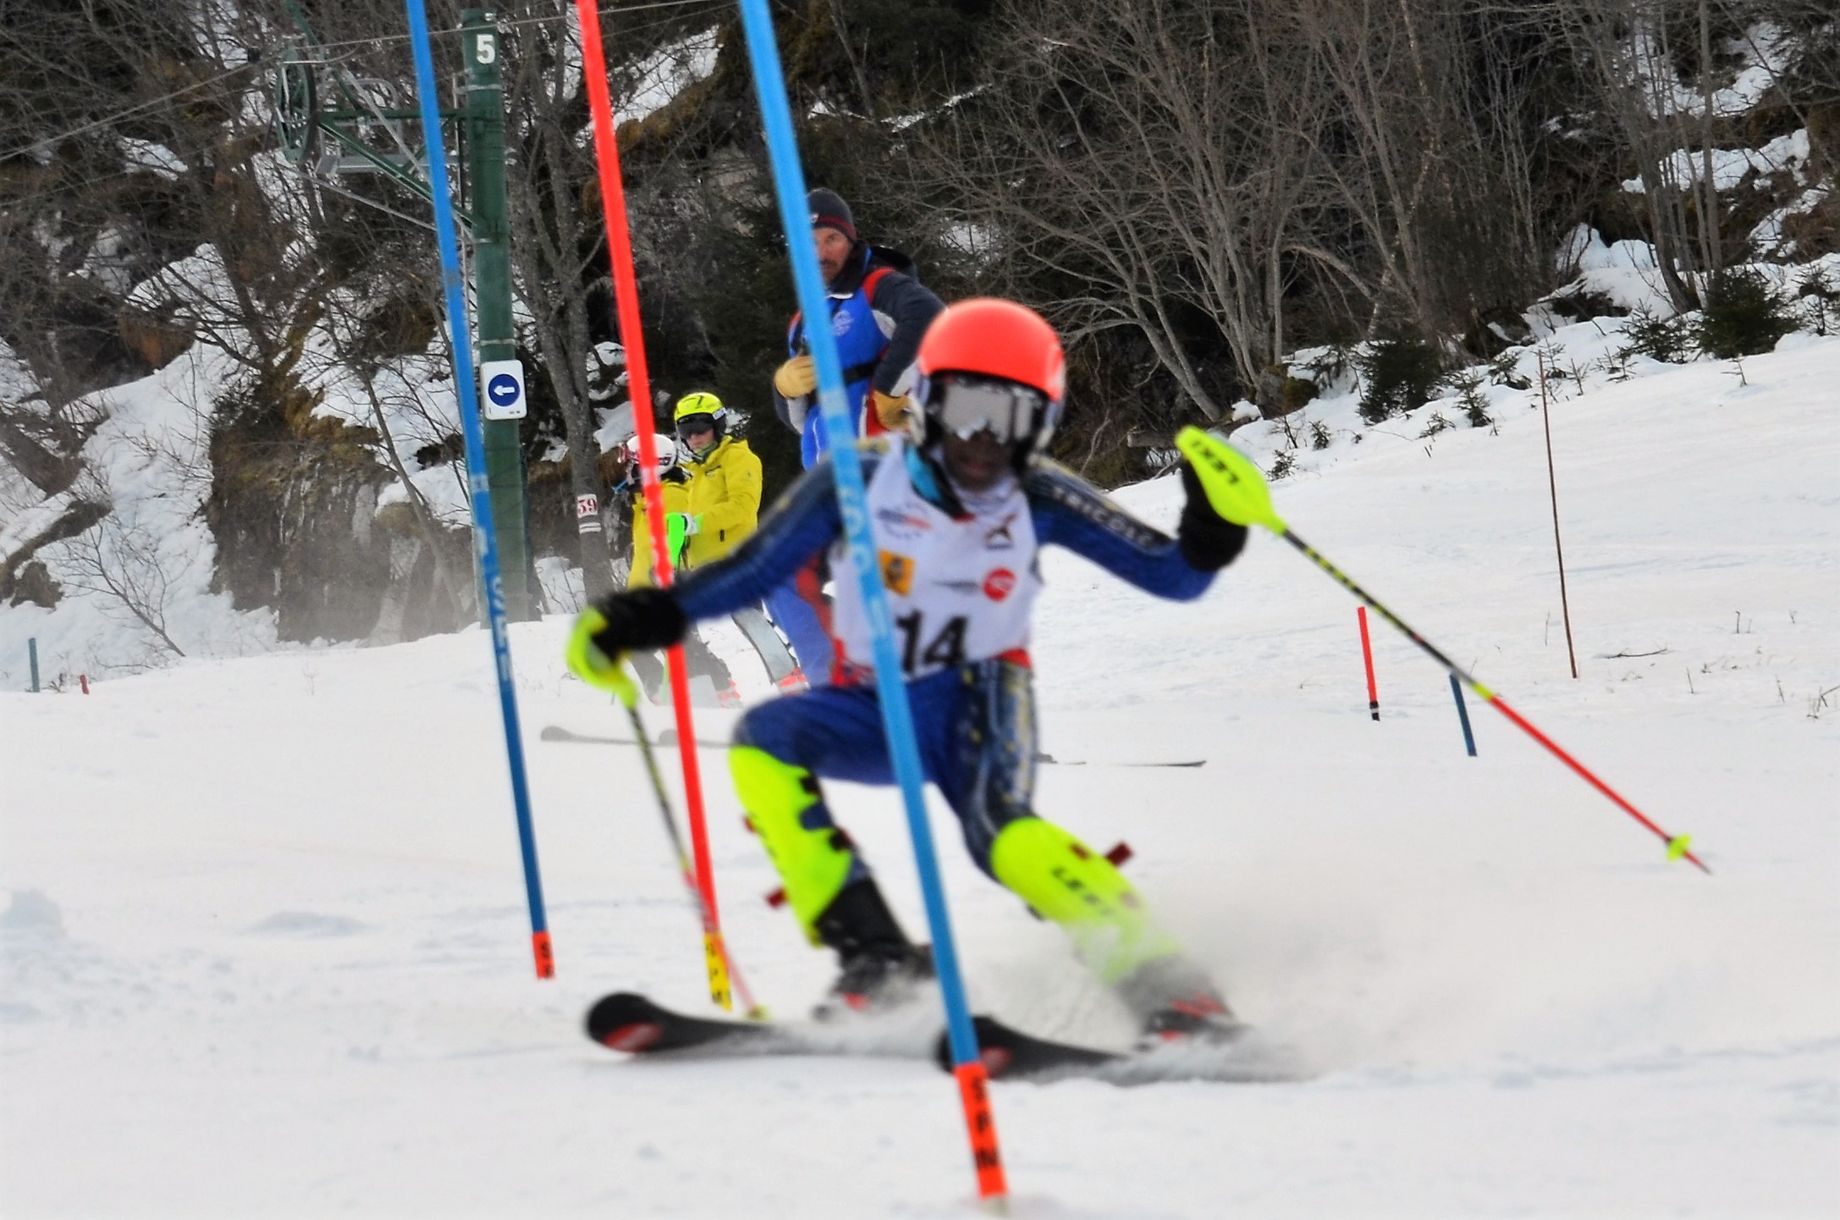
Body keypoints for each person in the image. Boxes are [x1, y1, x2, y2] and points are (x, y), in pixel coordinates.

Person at [567, 299, 1251, 1042]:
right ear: (928, 400)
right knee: (764, 740)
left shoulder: (1039, 497)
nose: (985, 438)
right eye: (969, 409)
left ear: (1042, 425)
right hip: (874, 701)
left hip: (978, 705)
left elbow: (1173, 576)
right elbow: (754, 569)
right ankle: (879, 961)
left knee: (1001, 838)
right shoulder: (858, 480)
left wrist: (1210, 532)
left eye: (1014, 419)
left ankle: (1175, 992)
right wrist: (646, 616)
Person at [764, 188, 945, 684]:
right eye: (809, 243)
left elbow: (930, 319)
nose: (821, 252)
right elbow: (800, 419)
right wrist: (784, 388)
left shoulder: (878, 285)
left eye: (831, 239)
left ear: (851, 239)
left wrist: (889, 387)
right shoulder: (803, 320)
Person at [668, 391, 805, 693]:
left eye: (699, 429)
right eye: (686, 431)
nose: (694, 438)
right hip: (702, 563)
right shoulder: (695, 473)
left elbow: (743, 507)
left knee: (746, 615)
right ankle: (716, 686)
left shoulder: (738, 458)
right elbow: (692, 522)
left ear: (717, 426)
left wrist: (694, 523)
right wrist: (676, 546)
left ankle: (789, 677)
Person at [610, 432, 737, 705]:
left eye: (631, 463)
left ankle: (712, 694)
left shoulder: (671, 495)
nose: (626, 470)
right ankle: (674, 691)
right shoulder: (645, 501)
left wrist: (665, 565)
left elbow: (677, 532)